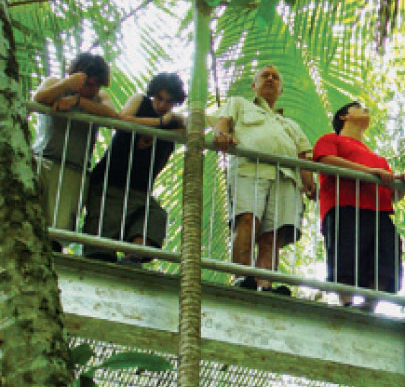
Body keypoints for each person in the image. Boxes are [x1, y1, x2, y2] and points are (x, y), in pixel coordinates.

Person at [208, 65, 313, 289]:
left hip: (284, 177)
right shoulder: (239, 104)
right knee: (246, 220)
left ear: (280, 90)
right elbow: (222, 122)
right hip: (250, 169)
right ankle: (241, 276)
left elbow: (304, 154)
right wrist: (220, 134)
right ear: (254, 85)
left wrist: (309, 182)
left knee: (272, 234)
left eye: (276, 77)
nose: (271, 79)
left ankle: (265, 285)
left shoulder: (290, 124)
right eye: (265, 76)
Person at [77, 72, 184, 262]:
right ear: (153, 94)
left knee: (155, 218)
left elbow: (192, 131)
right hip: (109, 183)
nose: (162, 105)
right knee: (100, 248)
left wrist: (162, 129)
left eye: (169, 102)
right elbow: (122, 119)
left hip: (139, 191)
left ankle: (133, 258)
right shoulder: (140, 101)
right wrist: (159, 124)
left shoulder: (173, 121)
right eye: (159, 98)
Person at [311, 101, 400, 310]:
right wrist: (370, 172)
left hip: (378, 211)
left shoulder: (378, 158)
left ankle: (371, 302)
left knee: (386, 252)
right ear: (344, 116)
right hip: (344, 205)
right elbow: (325, 161)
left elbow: (394, 194)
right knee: (345, 254)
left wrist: (402, 182)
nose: (365, 110)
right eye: (359, 107)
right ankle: (347, 302)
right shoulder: (331, 139)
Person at [29, 52, 116, 241]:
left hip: (73, 171)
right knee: (28, 220)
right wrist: (67, 85)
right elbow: (38, 98)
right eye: (88, 84)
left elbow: (113, 116)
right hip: (42, 162)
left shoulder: (99, 97)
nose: (92, 89)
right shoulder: (56, 83)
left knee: (57, 233)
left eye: (96, 85)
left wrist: (78, 102)